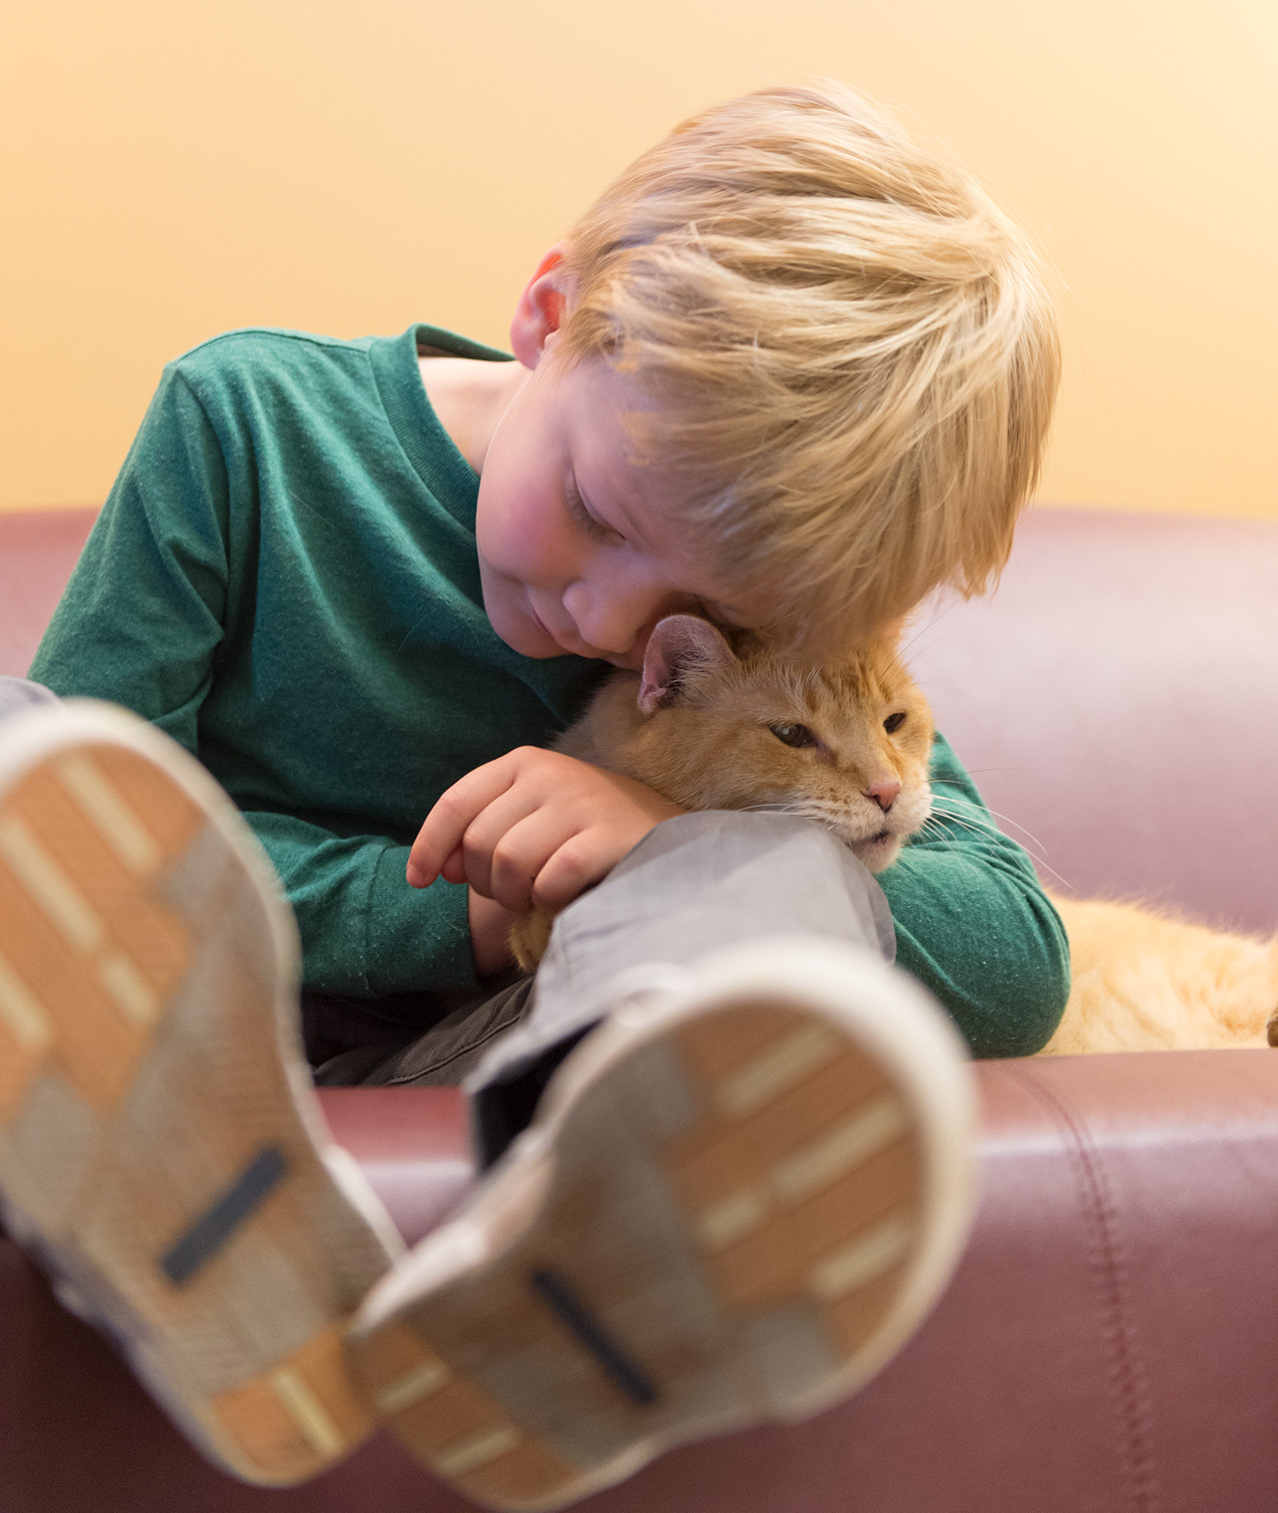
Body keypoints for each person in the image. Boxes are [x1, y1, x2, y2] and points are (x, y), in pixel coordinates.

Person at [0, 81, 1066, 1509]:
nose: (603, 615)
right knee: (23, 750)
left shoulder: (792, 633)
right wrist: (463, 919)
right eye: (605, 513)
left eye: (702, 608)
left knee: (786, 863)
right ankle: (190, 1184)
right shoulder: (248, 423)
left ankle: (600, 1253)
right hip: (175, 1027)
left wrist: (665, 838)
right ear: (550, 315)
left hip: (499, 1065)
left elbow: (1015, 949)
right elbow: (79, 834)